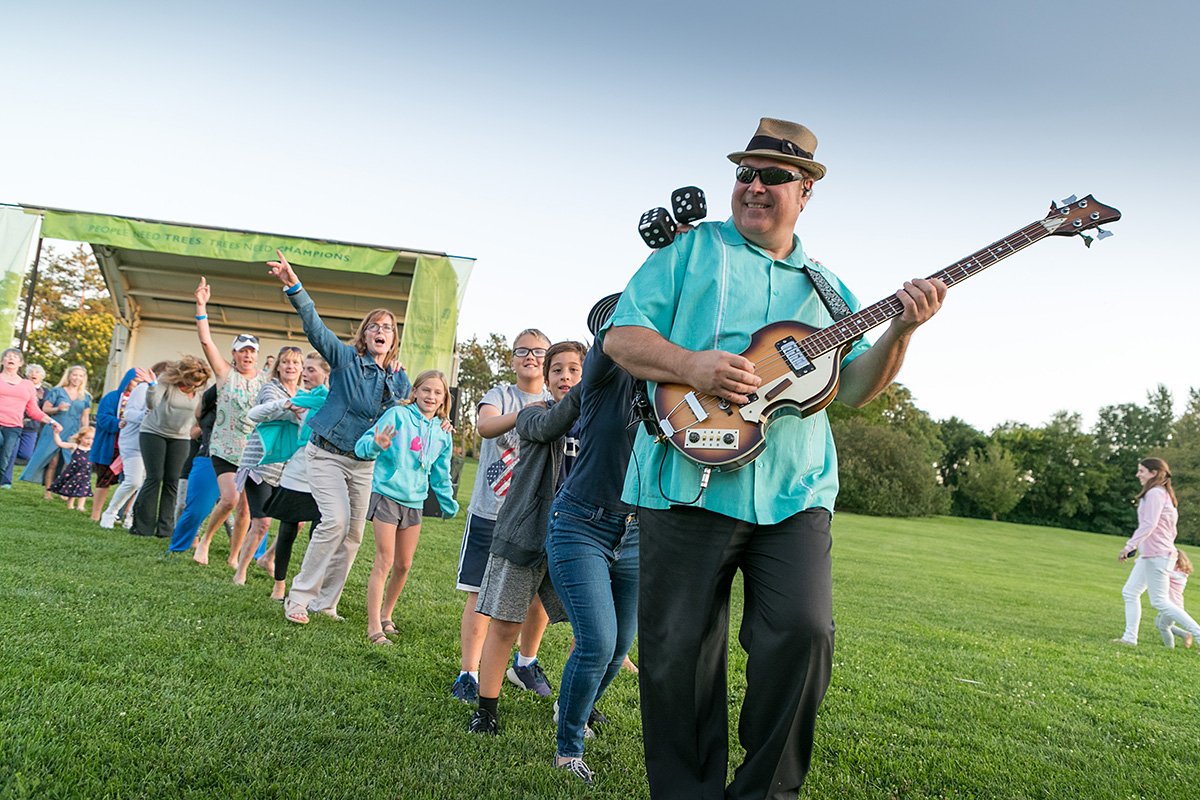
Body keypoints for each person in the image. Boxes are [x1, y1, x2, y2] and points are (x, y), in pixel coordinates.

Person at [602, 117, 947, 799]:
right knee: (677, 657)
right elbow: (622, 339)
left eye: (773, 177)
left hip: (796, 492)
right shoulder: (689, 252)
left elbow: (852, 388)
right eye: (745, 175)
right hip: (685, 485)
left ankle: (766, 793)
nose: (754, 187)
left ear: (805, 192)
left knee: (804, 633)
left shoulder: (827, 289)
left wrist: (903, 331)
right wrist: (691, 365)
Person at [267, 250, 412, 626]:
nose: (381, 332)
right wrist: (294, 286)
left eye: (388, 328)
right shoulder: (346, 359)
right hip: (327, 454)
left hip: (363, 463)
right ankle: (298, 598)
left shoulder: (398, 378)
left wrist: (442, 421)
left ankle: (326, 602)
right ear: (364, 334)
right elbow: (315, 328)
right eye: (375, 326)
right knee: (333, 521)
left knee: (353, 535)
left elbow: (413, 413)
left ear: (394, 339)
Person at [545, 296, 640, 785]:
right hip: (581, 522)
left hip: (637, 532)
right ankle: (568, 746)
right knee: (597, 642)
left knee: (620, 647)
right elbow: (611, 339)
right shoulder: (602, 375)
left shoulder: (673, 380)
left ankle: (571, 703)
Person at [469, 341, 585, 736]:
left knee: (589, 629)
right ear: (547, 379)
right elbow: (550, 426)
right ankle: (486, 708)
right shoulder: (534, 414)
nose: (565, 377)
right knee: (504, 622)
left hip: (578, 535)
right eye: (557, 370)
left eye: (574, 369)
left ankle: (579, 703)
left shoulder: (600, 422)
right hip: (526, 529)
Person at [451, 328, 554, 703]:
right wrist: (527, 414)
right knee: (481, 593)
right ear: (512, 360)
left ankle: (525, 664)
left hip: (534, 516)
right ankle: (468, 672)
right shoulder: (501, 395)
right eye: (522, 351)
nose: (531, 357)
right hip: (490, 513)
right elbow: (486, 426)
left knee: (537, 596)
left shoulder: (555, 398)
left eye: (540, 352)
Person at [356, 369, 459, 644]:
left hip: (415, 502)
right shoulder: (398, 416)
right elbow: (362, 445)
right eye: (426, 390)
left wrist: (448, 502)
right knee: (385, 560)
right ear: (415, 392)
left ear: (443, 400)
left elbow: (441, 471)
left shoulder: (442, 432)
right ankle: (373, 627)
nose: (431, 396)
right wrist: (375, 445)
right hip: (387, 494)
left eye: (437, 392)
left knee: (404, 564)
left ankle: (386, 614)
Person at [192, 277, 266, 566]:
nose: (247, 355)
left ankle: (234, 557)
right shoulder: (225, 375)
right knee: (230, 499)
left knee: (246, 509)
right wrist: (201, 307)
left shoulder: (264, 381)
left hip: (252, 452)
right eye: (242, 350)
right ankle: (206, 541)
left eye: (251, 351)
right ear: (234, 354)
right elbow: (205, 341)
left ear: (256, 356)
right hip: (224, 447)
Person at [231, 346, 304, 585]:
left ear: (302, 368)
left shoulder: (305, 394)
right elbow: (272, 410)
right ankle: (241, 571)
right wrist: (292, 407)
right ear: (278, 366)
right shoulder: (270, 389)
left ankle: (267, 558)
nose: (290, 367)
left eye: (295, 363)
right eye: (285, 362)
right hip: (261, 463)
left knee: (298, 522)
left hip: (289, 467)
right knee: (261, 523)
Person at [263, 352, 330, 601]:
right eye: (305, 369)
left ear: (326, 373)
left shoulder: (333, 402)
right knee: (287, 531)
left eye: (311, 369)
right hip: (296, 472)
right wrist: (283, 406)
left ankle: (307, 587)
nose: (305, 374)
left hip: (324, 475)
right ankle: (279, 585)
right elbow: (259, 415)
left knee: (319, 534)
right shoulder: (299, 401)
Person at [1115, 457, 1200, 647]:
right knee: (1130, 592)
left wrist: (1130, 546)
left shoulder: (1155, 493)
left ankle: (1198, 633)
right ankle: (1129, 638)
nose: (1138, 474)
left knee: (1160, 601)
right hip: (1152, 555)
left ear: (1154, 473)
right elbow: (1169, 529)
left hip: (1158, 555)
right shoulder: (1161, 494)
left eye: (1141, 471)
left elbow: (1149, 524)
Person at [131, 357, 210, 538]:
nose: (194, 385)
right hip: (153, 432)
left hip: (181, 437)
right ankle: (142, 527)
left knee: (172, 480)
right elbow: (152, 404)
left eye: (198, 383)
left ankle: (165, 529)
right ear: (183, 376)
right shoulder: (166, 380)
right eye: (191, 381)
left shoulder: (201, 389)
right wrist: (151, 385)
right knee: (154, 477)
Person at [100, 361, 169, 529]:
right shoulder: (142, 389)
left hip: (154, 442)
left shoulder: (169, 393)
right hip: (133, 441)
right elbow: (129, 413)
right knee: (134, 481)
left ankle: (131, 516)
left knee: (146, 482)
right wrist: (148, 416)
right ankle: (110, 512)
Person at [166, 384, 220, 553]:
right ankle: (188, 538)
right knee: (187, 505)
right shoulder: (207, 416)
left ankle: (231, 544)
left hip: (223, 463)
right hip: (197, 462)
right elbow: (193, 432)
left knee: (226, 507)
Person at [20, 364, 91, 495]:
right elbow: (45, 409)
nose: (77, 378)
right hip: (55, 429)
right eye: (74, 375)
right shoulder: (57, 391)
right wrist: (58, 409)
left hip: (73, 432)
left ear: (84, 378)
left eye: (80, 376)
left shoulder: (85, 397)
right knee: (53, 461)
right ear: (69, 376)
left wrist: (85, 433)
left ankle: (64, 491)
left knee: (69, 463)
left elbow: (84, 417)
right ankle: (48, 491)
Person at [90, 368, 150, 522]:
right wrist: (119, 423)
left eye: (141, 382)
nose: (138, 385)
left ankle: (126, 513)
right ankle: (96, 513)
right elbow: (102, 418)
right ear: (128, 380)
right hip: (111, 446)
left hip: (134, 446)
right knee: (104, 480)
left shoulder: (145, 398)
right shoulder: (112, 398)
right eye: (136, 381)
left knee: (134, 481)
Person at [1, 349, 60, 488]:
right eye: (8, 356)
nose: (11, 358)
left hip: (13, 426)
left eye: (15, 357)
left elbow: (33, 409)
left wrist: (51, 421)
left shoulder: (27, 385)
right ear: (2, 361)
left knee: (4, 461)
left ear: (20, 363)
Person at [49, 425, 95, 510]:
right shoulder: (75, 446)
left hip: (85, 475)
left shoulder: (93, 449)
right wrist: (56, 434)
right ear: (80, 437)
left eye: (92, 439)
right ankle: (70, 505)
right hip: (74, 473)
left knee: (83, 490)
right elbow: (60, 444)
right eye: (87, 438)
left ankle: (81, 506)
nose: (90, 441)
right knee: (72, 489)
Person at [1156, 548, 1195, 649]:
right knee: (1158, 623)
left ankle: (1169, 647)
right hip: (1167, 603)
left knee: (1163, 626)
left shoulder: (1178, 575)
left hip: (1173, 605)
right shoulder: (1177, 572)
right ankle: (1185, 634)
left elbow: (1163, 573)